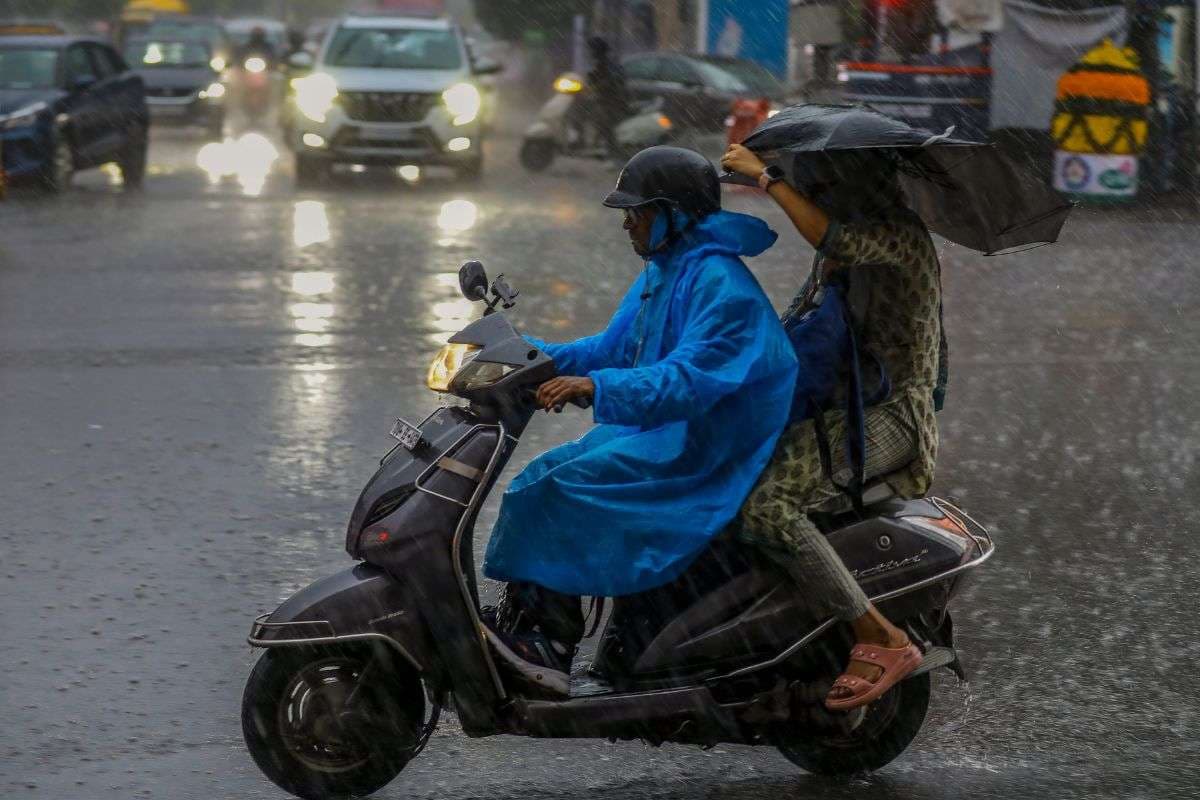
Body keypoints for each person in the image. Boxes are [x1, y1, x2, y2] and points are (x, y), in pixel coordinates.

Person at [483, 146, 798, 678]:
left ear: (675, 215)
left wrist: (594, 386)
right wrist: (527, 355)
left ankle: (552, 645)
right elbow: (612, 348)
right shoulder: (667, 269)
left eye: (640, 211)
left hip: (705, 448)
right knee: (541, 475)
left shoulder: (723, 287)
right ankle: (530, 619)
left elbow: (687, 381)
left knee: (559, 488)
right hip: (663, 431)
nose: (628, 223)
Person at [721, 141, 945, 711]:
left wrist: (767, 179)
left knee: (768, 507)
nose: (817, 192)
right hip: (841, 409)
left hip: (892, 416)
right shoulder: (843, 248)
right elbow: (797, 320)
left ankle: (880, 635)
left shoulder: (898, 237)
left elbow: (833, 238)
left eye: (824, 183)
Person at [585, 36, 629, 155]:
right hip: (605, 99)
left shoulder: (607, 63)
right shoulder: (600, 63)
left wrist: (598, 86)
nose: (590, 52)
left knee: (605, 123)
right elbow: (592, 79)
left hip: (612, 100)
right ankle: (603, 145)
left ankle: (613, 150)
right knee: (598, 119)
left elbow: (611, 81)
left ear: (597, 50)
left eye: (592, 49)